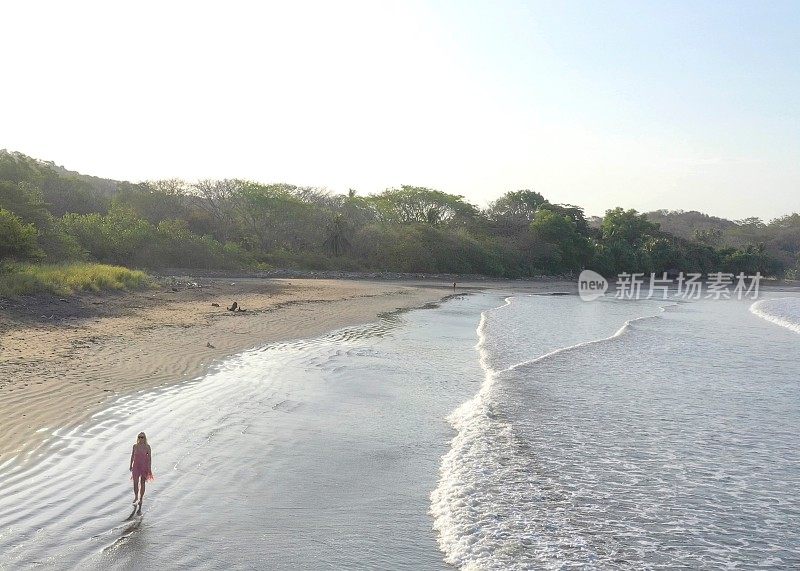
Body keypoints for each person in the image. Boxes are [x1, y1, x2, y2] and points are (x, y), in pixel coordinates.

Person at [129, 432, 154, 511]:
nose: (140, 438)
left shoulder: (147, 447)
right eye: (139, 437)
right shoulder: (135, 446)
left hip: (144, 466)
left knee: (142, 482)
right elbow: (132, 456)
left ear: (145, 438)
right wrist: (130, 465)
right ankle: (136, 496)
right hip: (136, 466)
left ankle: (141, 498)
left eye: (142, 437)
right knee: (135, 482)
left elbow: (149, 458)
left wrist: (149, 468)